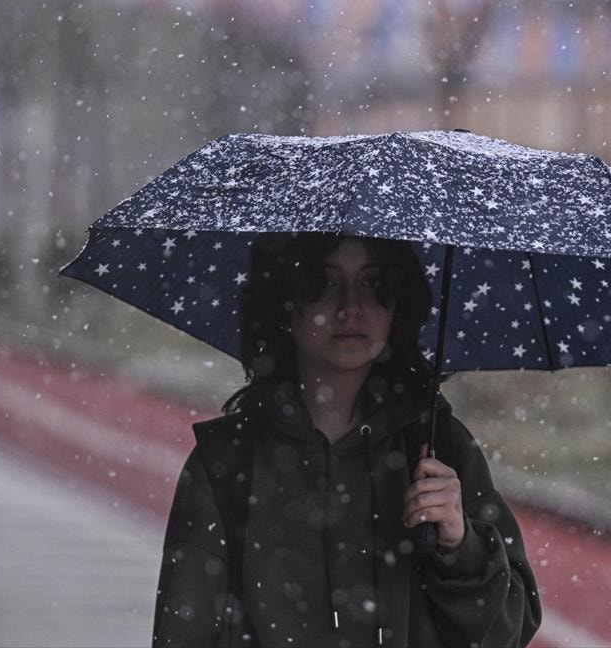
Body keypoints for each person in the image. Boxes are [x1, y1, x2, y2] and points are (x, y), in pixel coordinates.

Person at [153, 232, 542, 647]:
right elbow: (183, 634)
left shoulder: (437, 447)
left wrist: (460, 545)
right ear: (284, 299)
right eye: (324, 283)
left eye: (373, 283)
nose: (351, 307)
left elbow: (511, 629)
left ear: (399, 302)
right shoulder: (226, 462)